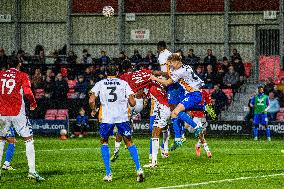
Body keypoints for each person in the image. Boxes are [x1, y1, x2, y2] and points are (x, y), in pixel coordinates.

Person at [89, 66, 144, 182]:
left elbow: (91, 100)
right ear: (117, 73)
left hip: (107, 118)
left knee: (104, 141)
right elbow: (133, 103)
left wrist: (94, 110)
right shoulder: (123, 83)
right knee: (129, 141)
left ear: (105, 73)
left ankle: (108, 173)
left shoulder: (100, 83)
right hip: (122, 117)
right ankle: (139, 169)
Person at [0, 57, 44, 181]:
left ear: (8, 64)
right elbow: (28, 92)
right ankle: (32, 171)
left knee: (1, 140)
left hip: (2, 112)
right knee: (28, 140)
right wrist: (33, 103)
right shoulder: (22, 75)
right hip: (17, 112)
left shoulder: (1, 74)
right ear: (19, 64)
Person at [150, 54, 206, 142]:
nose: (171, 65)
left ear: (177, 62)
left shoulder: (179, 72)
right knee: (175, 113)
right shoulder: (186, 66)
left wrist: (154, 78)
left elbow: (167, 83)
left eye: (172, 63)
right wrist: (169, 64)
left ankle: (196, 127)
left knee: (176, 111)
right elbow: (171, 73)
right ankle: (202, 108)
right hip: (194, 93)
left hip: (193, 94)